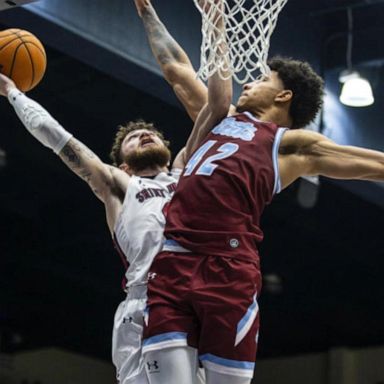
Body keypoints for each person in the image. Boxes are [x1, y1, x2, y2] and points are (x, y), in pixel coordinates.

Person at [139, 4, 384, 384]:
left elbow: (374, 163)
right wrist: (145, 9)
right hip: (172, 264)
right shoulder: (219, 117)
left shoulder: (291, 145)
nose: (249, 82)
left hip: (227, 270)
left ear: (283, 96)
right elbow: (175, 67)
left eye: (262, 78)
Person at [0, 73, 205, 384]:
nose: (144, 134)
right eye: (133, 138)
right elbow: (57, 137)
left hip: (198, 303)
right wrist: (13, 92)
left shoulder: (186, 173)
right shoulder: (118, 184)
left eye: (150, 132)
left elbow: (214, 111)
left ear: (167, 146)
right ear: (123, 164)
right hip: (146, 304)